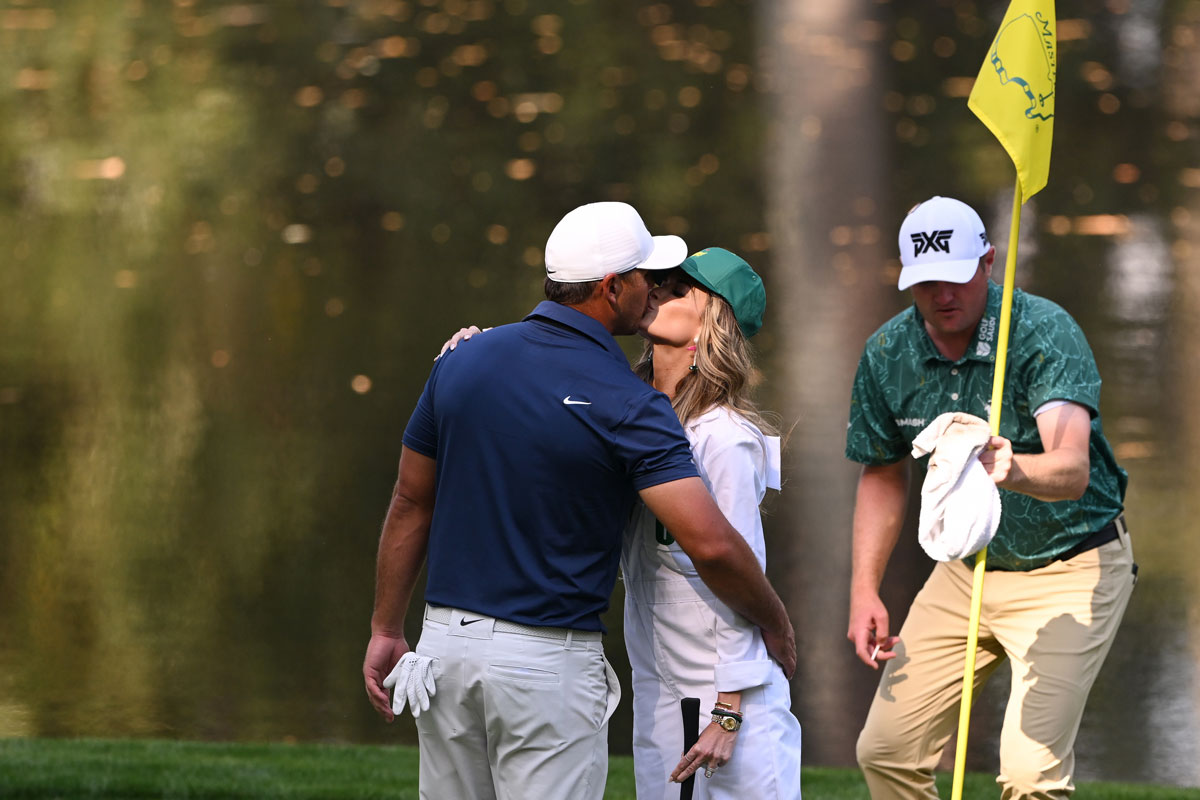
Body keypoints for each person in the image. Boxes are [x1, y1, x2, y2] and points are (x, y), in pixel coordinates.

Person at [362, 202, 796, 800]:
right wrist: (778, 622)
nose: (654, 292)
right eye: (649, 279)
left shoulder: (463, 360)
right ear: (614, 287)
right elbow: (714, 547)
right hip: (546, 667)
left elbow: (411, 501)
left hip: (443, 652)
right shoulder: (629, 405)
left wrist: (387, 625)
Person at [845, 196, 1137, 799]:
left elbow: (1072, 468)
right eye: (925, 283)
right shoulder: (886, 353)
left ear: (987, 260)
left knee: (1030, 777)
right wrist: (864, 588)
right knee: (886, 752)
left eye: (955, 277)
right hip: (965, 569)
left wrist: (1014, 468)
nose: (942, 295)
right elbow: (881, 472)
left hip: (1070, 565)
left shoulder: (1040, 331)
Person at [623, 247, 803, 798]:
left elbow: (740, 566)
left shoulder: (723, 438)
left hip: (727, 702)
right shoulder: (630, 416)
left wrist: (728, 711)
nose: (656, 291)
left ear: (712, 322)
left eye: (678, 289)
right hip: (659, 690)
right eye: (657, 282)